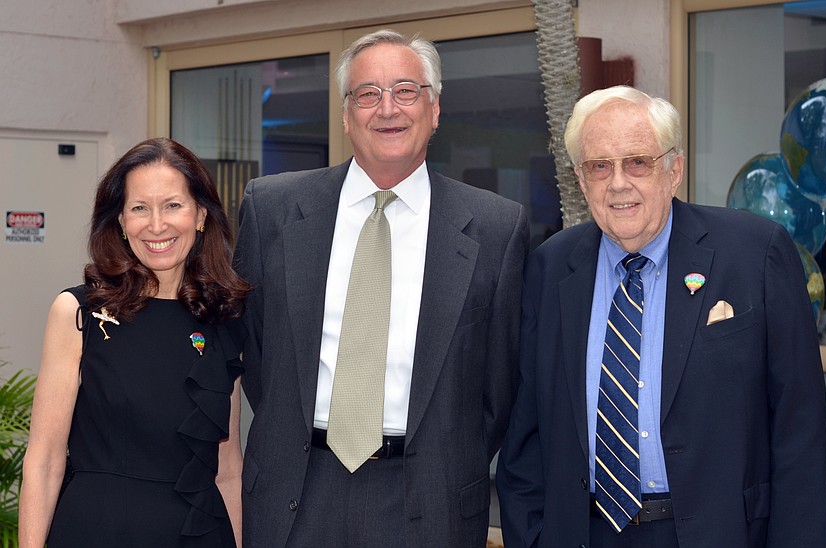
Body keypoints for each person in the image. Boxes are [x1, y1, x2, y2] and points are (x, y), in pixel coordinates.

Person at [496, 85, 826, 547]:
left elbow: (801, 429)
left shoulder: (755, 254)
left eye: (637, 162)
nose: (618, 183)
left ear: (674, 171)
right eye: (599, 166)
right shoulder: (550, 266)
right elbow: (526, 432)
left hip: (717, 533)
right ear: (580, 180)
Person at [234, 29, 528, 547]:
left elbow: (498, 388)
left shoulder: (495, 227)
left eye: (406, 91)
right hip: (297, 493)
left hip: (430, 503)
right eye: (368, 94)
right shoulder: (272, 209)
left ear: (434, 109)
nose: (387, 108)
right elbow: (260, 358)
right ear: (347, 116)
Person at [19, 138, 250, 547]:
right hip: (96, 531)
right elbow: (44, 462)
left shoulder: (222, 318)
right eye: (140, 208)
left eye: (173, 205)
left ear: (200, 215)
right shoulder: (79, 313)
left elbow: (227, 468)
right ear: (121, 222)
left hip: (199, 533)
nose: (156, 225)